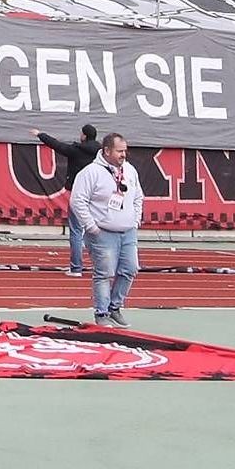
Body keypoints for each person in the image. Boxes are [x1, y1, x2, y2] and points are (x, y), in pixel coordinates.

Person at [71, 133, 143, 327]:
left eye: (125, 150)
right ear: (107, 151)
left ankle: (114, 307)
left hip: (127, 231)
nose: (124, 155)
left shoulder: (130, 170)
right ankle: (101, 313)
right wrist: (91, 226)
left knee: (130, 269)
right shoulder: (90, 172)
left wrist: (135, 219)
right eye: (120, 151)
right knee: (104, 273)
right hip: (103, 232)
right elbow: (77, 200)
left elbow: (138, 196)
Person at [37, 123, 100, 276]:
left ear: (84, 135)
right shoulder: (101, 152)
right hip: (98, 195)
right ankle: (102, 266)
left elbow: (57, 145)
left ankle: (76, 268)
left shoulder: (76, 150)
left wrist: (41, 134)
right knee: (99, 231)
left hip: (79, 195)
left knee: (77, 231)